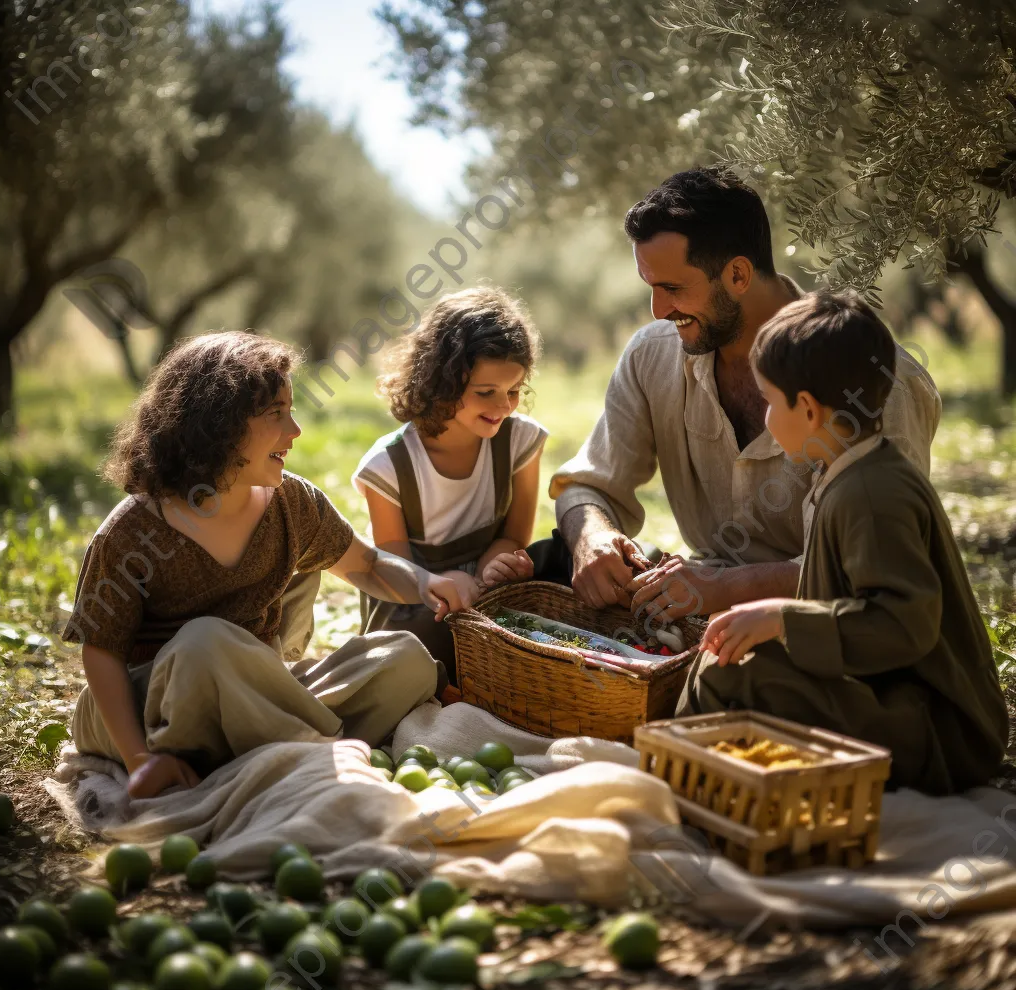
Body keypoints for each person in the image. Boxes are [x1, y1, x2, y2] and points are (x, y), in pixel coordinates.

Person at [62, 332, 471, 800]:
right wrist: (139, 761)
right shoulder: (133, 532)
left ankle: (275, 747)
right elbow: (101, 653)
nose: (294, 430)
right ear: (217, 426)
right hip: (145, 711)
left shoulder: (290, 502)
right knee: (205, 640)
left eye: (291, 410)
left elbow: (369, 565)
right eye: (275, 414)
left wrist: (427, 583)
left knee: (407, 659)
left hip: (257, 694)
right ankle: (316, 750)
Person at [539, 166, 941, 628]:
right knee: (545, 564)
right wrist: (592, 536)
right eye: (651, 288)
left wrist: (726, 588)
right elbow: (587, 484)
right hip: (697, 612)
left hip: (829, 630)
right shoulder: (651, 356)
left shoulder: (880, 383)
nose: (658, 310)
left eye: (672, 288)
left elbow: (871, 568)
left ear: (737, 274)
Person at [681, 291, 1007, 793]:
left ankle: (690, 781)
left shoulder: (873, 494)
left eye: (770, 402)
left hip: (941, 727)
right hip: (891, 694)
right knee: (728, 657)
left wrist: (782, 619)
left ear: (809, 411)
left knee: (734, 675)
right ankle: (698, 770)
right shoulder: (845, 471)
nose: (765, 417)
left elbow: (903, 624)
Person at [352, 286, 548, 683]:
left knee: (559, 562)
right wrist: (446, 584)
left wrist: (495, 566)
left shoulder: (521, 441)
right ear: (442, 382)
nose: (503, 407)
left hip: (487, 597)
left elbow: (515, 535)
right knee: (412, 647)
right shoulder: (388, 467)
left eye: (513, 391)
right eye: (486, 392)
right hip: (418, 606)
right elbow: (392, 571)